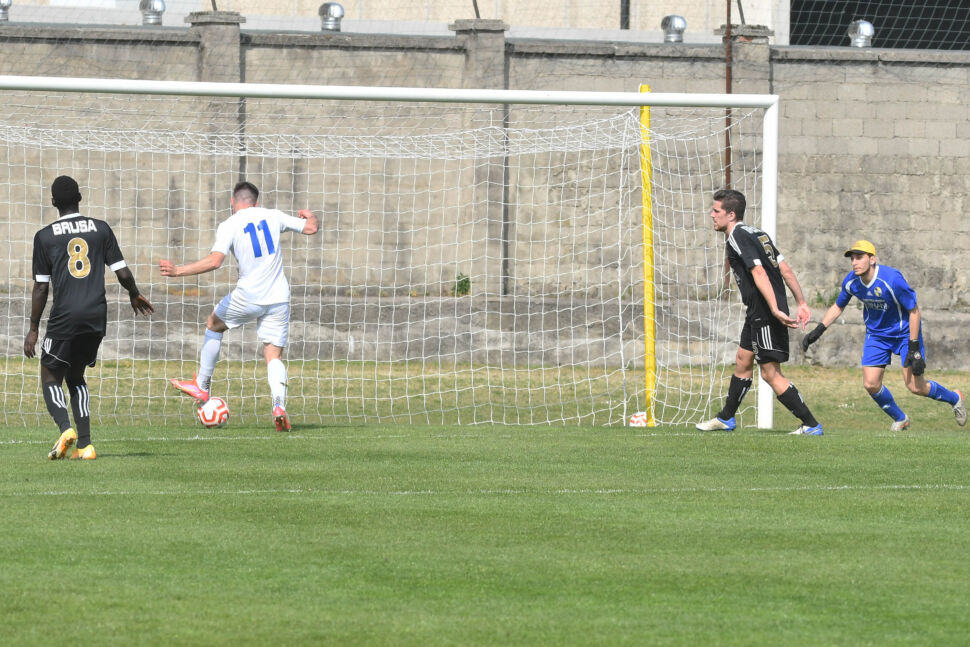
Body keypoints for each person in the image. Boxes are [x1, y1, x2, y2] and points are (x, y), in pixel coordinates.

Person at [160, 181, 319, 431]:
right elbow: (310, 228)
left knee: (213, 324)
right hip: (279, 297)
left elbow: (215, 261)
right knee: (273, 355)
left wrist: (178, 270)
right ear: (256, 201)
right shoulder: (273, 215)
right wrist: (310, 216)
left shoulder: (230, 224)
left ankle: (203, 385)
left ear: (233, 202)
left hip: (249, 295)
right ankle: (279, 406)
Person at [24, 175, 155, 461]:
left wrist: (34, 328)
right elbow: (122, 272)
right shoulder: (101, 229)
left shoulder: (44, 236)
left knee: (50, 375)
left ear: (54, 202)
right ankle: (85, 445)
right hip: (97, 316)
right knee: (77, 375)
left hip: (65, 315)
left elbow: (41, 287)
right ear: (80, 198)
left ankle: (65, 429)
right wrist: (134, 293)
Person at [695, 189, 824, 435]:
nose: (711, 215)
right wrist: (802, 301)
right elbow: (784, 269)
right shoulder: (758, 233)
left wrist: (775, 308)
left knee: (769, 372)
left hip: (766, 312)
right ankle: (726, 418)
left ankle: (810, 424)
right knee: (743, 360)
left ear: (731, 214)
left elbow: (759, 272)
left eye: (716, 211)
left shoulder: (737, 236)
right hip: (758, 311)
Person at [801, 240, 966, 430]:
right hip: (877, 335)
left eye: (859, 257)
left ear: (872, 259)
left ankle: (955, 398)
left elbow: (914, 311)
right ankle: (900, 418)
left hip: (904, 334)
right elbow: (839, 306)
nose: (855, 262)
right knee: (871, 384)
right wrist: (818, 330)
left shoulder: (892, 279)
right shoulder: (851, 282)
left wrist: (914, 347)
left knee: (915, 386)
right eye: (852, 259)